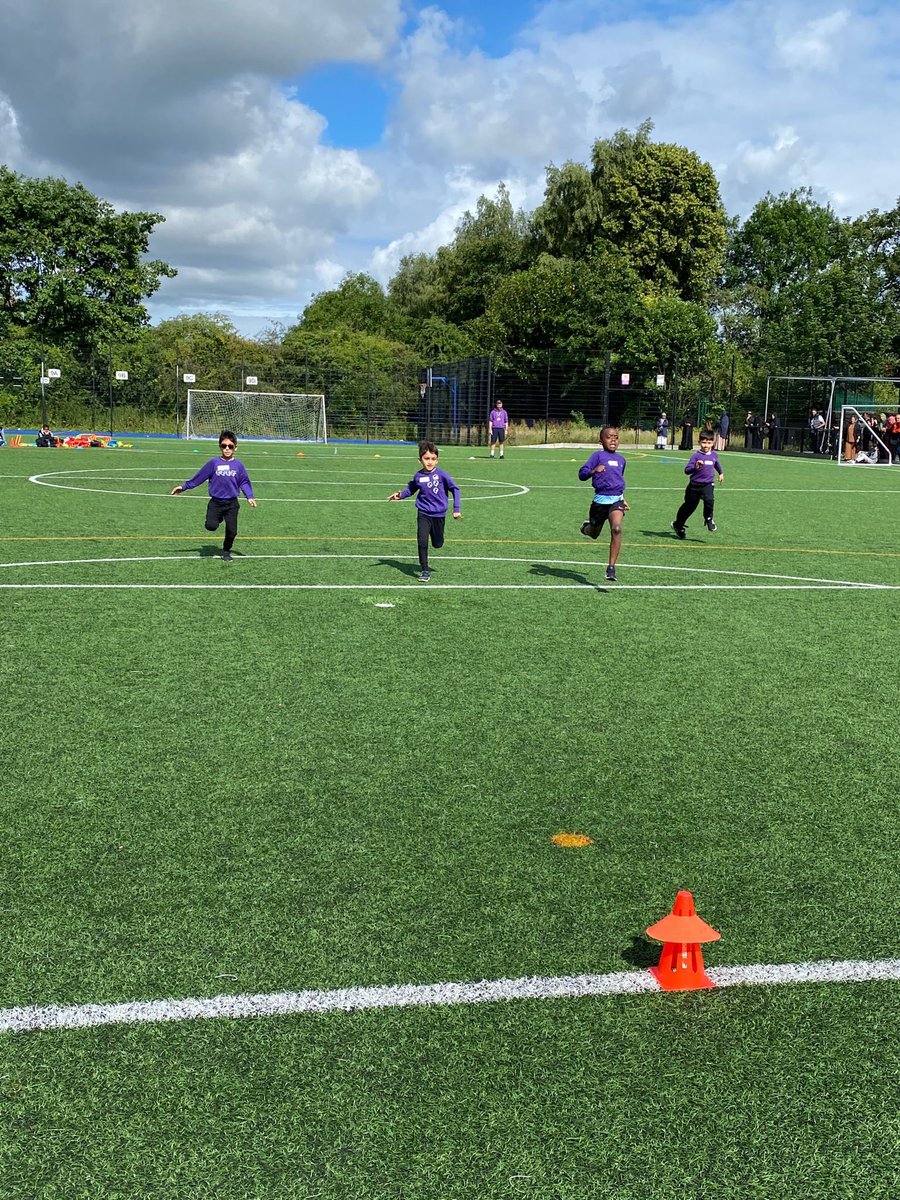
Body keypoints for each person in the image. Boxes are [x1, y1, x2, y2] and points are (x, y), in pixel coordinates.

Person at [170, 430, 256, 561]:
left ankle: (226, 551)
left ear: (235, 447)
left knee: (232, 531)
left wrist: (249, 496)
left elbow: (244, 481)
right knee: (211, 526)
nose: (227, 449)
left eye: (230, 446)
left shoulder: (238, 465)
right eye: (224, 446)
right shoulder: (214, 463)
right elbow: (199, 477)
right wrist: (184, 487)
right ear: (220, 446)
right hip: (216, 503)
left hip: (232, 504)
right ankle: (219, 517)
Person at [388, 441, 461, 582]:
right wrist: (400, 495)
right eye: (426, 458)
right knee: (422, 541)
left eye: (433, 459)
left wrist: (456, 509)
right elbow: (411, 489)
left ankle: (437, 539)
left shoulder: (442, 475)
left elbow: (455, 489)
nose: (430, 462)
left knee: (437, 544)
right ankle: (425, 570)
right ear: (420, 460)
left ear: (437, 460)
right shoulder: (418, 476)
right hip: (423, 513)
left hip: (439, 514)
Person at [578, 426, 629, 583]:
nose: (613, 439)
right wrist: (593, 471)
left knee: (617, 529)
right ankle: (586, 528)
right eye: (609, 437)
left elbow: (618, 481)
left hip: (616, 501)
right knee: (594, 534)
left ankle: (611, 568)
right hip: (599, 503)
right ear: (601, 441)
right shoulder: (597, 456)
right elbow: (581, 474)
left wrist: (622, 498)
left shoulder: (622, 460)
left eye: (616, 437)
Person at [671, 431, 724, 538]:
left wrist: (721, 473)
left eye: (709, 443)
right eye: (704, 442)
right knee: (689, 507)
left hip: (708, 484)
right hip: (694, 486)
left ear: (713, 443)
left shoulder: (714, 454)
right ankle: (678, 525)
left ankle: (708, 519)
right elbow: (687, 471)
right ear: (699, 442)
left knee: (709, 500)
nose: (706, 445)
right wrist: (695, 467)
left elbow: (716, 463)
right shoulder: (696, 456)